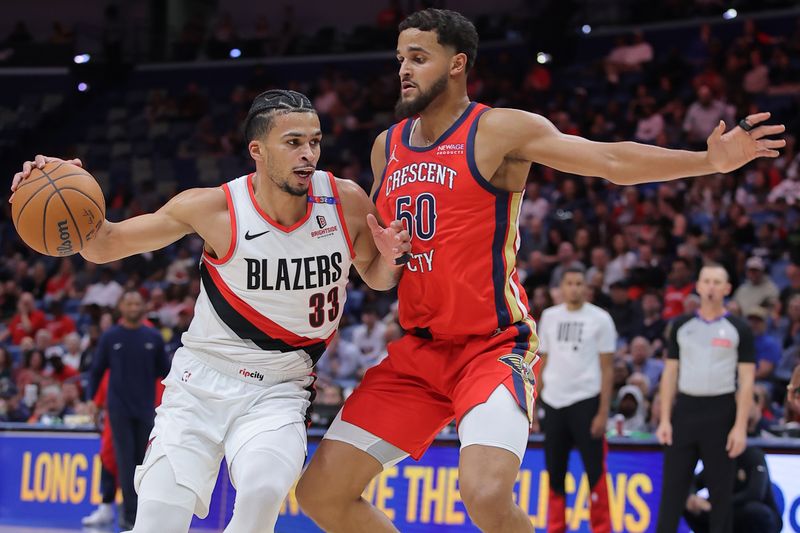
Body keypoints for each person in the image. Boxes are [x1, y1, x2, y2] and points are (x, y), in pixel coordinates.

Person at [296, 9, 783, 533]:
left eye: (418, 58)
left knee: (484, 496)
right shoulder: (385, 146)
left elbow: (608, 161)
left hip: (490, 347)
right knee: (320, 493)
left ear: (457, 64)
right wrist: (386, 259)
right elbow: (378, 277)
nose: (404, 70)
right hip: (419, 352)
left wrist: (706, 162)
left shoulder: (498, 129)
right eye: (400, 59)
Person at [10, 89, 410, 533]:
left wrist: (390, 260)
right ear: (257, 150)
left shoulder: (345, 200)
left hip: (280, 389)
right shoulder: (214, 208)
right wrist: (63, 186)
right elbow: (104, 245)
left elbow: (374, 276)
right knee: (158, 519)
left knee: (261, 493)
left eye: (315, 141)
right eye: (293, 142)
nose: (308, 154)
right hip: (199, 384)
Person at [656, 265, 756, 533]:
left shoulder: (739, 329)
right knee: (672, 493)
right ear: (698, 287)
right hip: (686, 411)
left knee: (721, 496)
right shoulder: (681, 325)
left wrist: (740, 426)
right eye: (707, 281)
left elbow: (747, 381)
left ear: (727, 289)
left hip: (722, 412)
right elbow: (670, 375)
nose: (711, 287)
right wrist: (665, 419)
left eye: (717, 282)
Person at [536, 267, 617, 533]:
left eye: (579, 283)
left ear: (587, 287)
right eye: (570, 283)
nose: (575, 288)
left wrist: (603, 411)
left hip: (586, 402)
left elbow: (607, 369)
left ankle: (602, 528)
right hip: (554, 402)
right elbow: (542, 362)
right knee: (554, 472)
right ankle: (556, 528)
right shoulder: (549, 317)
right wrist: (535, 406)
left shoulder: (601, 319)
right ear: (561, 287)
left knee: (595, 472)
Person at [87, 290, 169, 529]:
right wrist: (92, 400)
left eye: (137, 303)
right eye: (129, 302)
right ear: (121, 307)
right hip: (119, 410)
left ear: (143, 307)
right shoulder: (111, 337)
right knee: (124, 463)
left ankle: (144, 517)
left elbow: (166, 372)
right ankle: (129, 520)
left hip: (146, 409)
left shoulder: (153, 337)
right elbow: (96, 370)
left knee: (144, 463)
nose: (133, 306)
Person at [684, 445, 783, 533]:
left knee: (753, 511)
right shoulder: (720, 461)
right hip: (726, 510)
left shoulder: (753, 456)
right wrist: (693, 497)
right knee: (687, 505)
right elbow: (693, 482)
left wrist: (716, 504)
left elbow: (755, 493)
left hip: (754, 512)